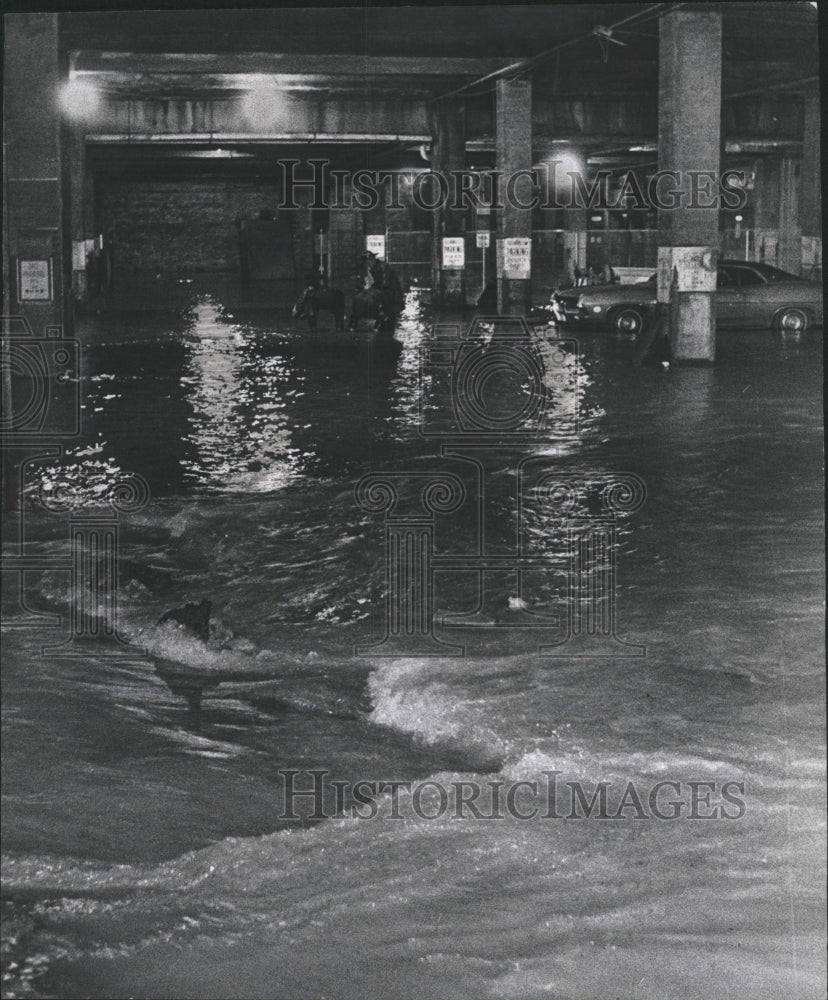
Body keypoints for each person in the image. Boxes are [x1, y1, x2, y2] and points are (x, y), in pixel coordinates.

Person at [362, 250, 404, 325]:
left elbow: (385, 284)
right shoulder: (375, 267)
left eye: (369, 262)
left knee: (389, 318)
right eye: (367, 263)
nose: (368, 264)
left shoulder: (382, 267)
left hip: (391, 294)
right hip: (387, 294)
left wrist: (372, 288)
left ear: (373, 260)